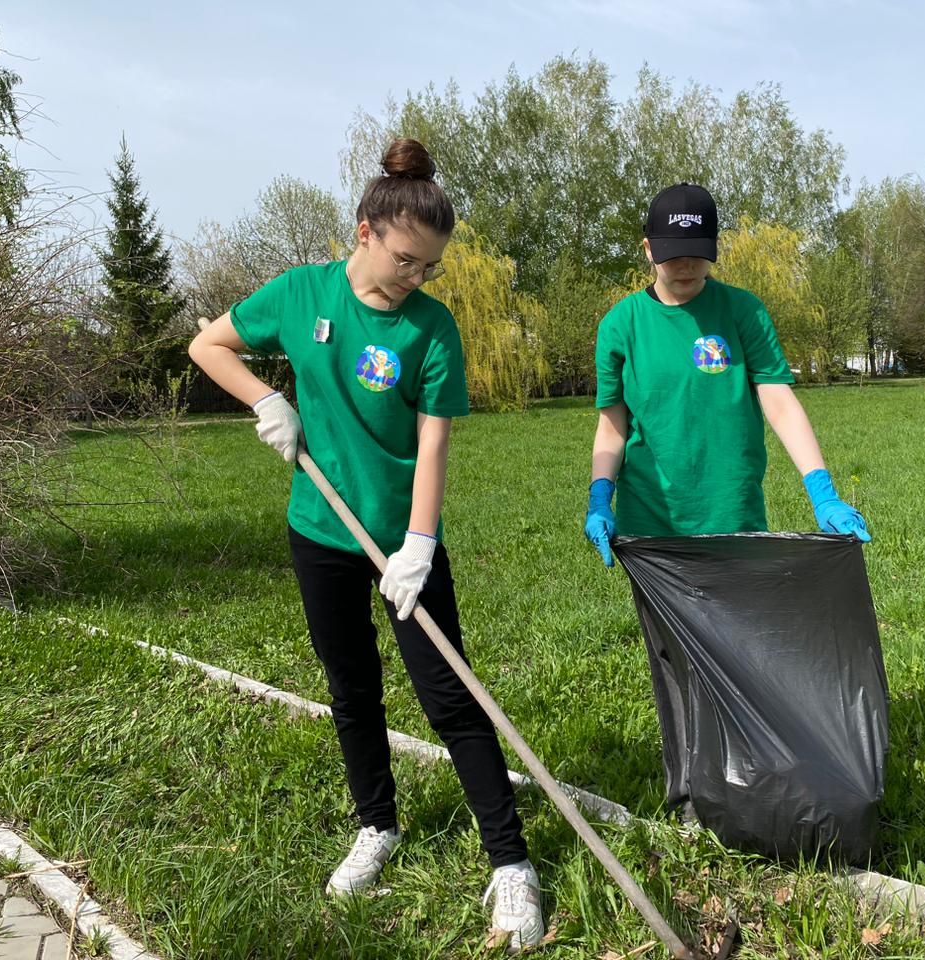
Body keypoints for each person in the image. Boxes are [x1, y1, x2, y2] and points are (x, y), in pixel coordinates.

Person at [188, 138, 543, 950]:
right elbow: (208, 346)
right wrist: (266, 402)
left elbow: (434, 443)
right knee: (351, 687)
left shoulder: (430, 329)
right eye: (408, 262)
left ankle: (511, 864)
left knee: (451, 696)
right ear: (365, 233)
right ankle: (376, 826)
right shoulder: (300, 294)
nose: (417, 279)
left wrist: (419, 543)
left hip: (400, 540)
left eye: (430, 268)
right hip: (321, 530)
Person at [584, 181, 870, 563]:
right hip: (651, 524)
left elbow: (780, 403)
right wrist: (600, 499)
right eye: (673, 255)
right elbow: (612, 424)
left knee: (747, 623)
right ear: (649, 250)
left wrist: (823, 493)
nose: (686, 266)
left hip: (733, 513)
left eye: (697, 254)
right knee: (667, 626)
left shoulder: (743, 312)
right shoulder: (620, 325)